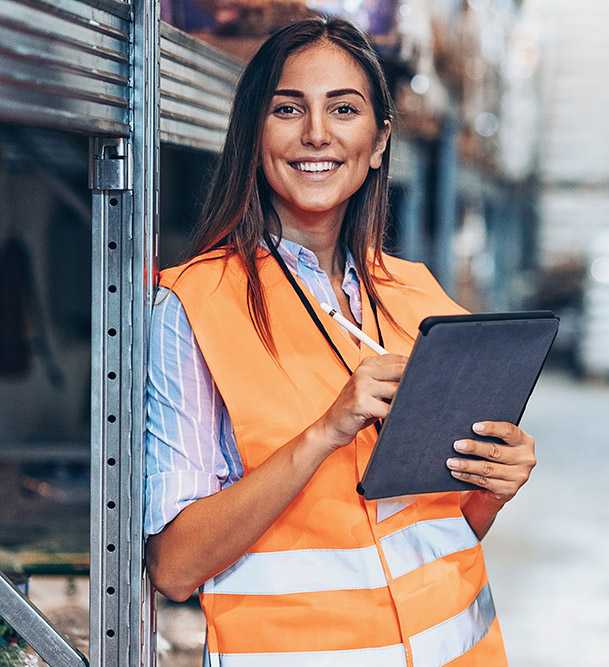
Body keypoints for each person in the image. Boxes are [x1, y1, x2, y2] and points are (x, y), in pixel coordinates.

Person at [143, 17, 536, 666]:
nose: (317, 134)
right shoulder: (194, 306)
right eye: (288, 108)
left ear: (379, 141)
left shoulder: (420, 298)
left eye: (344, 109)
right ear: (253, 133)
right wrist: (325, 430)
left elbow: (445, 530)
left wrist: (494, 480)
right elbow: (176, 566)